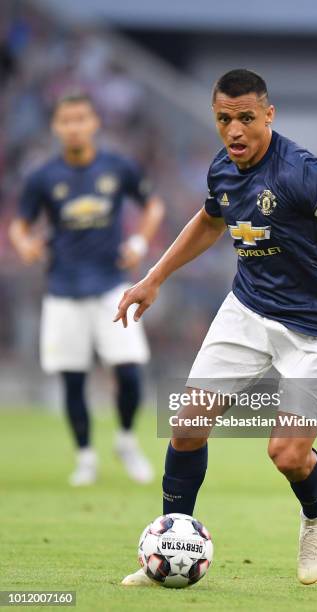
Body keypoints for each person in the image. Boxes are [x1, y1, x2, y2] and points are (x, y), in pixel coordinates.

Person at [115, 69, 317, 585]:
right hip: (247, 311)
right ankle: (171, 543)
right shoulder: (224, 168)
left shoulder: (302, 173)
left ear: (269, 114)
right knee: (188, 424)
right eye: (224, 119)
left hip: (316, 328)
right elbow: (210, 219)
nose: (235, 131)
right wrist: (154, 278)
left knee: (287, 455)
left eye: (246, 118)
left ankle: (316, 517)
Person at [9, 93, 165, 487]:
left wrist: (138, 244)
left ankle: (126, 440)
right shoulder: (43, 177)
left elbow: (154, 207)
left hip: (112, 287)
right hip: (63, 289)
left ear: (94, 123)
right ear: (56, 127)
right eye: (66, 120)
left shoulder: (118, 167)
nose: (74, 126)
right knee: (72, 379)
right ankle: (85, 457)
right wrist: (25, 244)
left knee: (129, 372)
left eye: (81, 118)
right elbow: (19, 224)